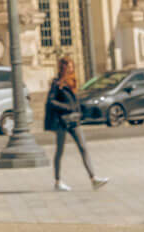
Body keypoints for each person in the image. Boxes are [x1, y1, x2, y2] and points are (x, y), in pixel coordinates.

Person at [44, 57, 107, 191]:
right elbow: (51, 101)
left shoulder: (72, 82)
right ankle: (57, 181)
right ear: (63, 68)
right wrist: (67, 107)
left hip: (74, 120)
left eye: (72, 66)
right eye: (69, 67)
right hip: (62, 121)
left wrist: (78, 111)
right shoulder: (57, 83)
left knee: (83, 147)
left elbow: (74, 102)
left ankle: (93, 179)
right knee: (59, 151)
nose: (71, 69)